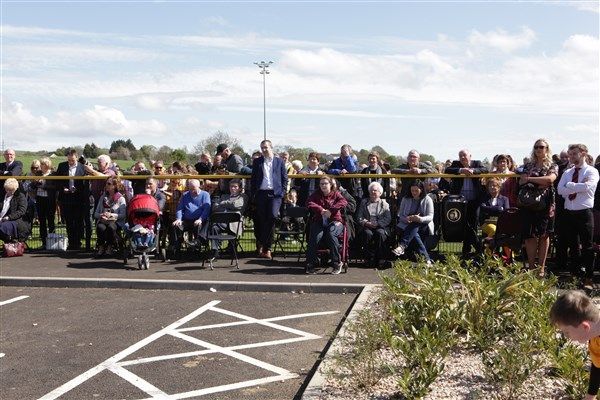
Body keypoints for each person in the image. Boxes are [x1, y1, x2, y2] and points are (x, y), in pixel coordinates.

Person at [556, 144, 599, 288]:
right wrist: (576, 186)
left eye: (574, 154)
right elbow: (560, 190)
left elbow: (587, 187)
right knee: (573, 245)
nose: (571, 157)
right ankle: (575, 274)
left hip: (584, 212)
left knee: (587, 246)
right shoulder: (567, 172)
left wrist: (570, 185)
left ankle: (589, 277)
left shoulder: (591, 171)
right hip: (569, 212)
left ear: (583, 153)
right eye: (570, 154)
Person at [550, 290, 600, 400]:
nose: (566, 337)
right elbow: (597, 365)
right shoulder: (595, 336)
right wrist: (590, 397)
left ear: (585, 326)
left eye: (567, 332)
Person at [518, 139, 557, 276]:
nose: (538, 149)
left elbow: (549, 180)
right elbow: (522, 181)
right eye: (536, 147)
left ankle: (541, 268)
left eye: (541, 147)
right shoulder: (528, 165)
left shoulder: (552, 165)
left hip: (545, 205)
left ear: (547, 149)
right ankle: (531, 267)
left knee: (544, 235)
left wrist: (530, 179)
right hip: (528, 203)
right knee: (530, 236)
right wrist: (539, 181)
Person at [446, 149, 488, 260]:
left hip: (474, 200)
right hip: (460, 202)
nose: (463, 157)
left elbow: (485, 169)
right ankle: (475, 249)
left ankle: (469, 249)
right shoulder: (456, 164)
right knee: (464, 225)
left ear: (470, 156)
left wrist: (473, 171)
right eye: (460, 156)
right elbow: (447, 170)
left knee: (473, 225)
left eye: (464, 155)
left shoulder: (477, 163)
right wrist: (461, 170)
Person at [250, 139, 288, 259]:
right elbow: (253, 179)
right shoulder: (257, 161)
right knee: (262, 220)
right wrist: (253, 194)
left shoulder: (279, 161)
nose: (264, 150)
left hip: (275, 194)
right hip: (261, 194)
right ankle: (266, 248)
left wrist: (282, 192)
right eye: (262, 148)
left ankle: (264, 245)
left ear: (271, 147)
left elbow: (284, 178)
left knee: (272, 217)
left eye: (266, 147)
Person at [306, 176, 348, 274]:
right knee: (315, 236)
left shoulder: (336, 194)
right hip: (320, 221)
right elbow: (309, 202)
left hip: (335, 220)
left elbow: (343, 202)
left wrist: (331, 210)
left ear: (330, 185)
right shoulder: (316, 194)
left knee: (331, 234)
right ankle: (311, 263)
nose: (323, 185)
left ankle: (337, 263)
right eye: (321, 184)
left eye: (325, 183)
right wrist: (320, 210)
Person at [392, 180, 434, 264]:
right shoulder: (405, 199)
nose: (414, 193)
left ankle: (402, 246)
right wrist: (406, 219)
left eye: (416, 190)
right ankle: (427, 259)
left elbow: (430, 217)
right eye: (412, 190)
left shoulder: (427, 199)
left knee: (414, 225)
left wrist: (419, 219)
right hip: (407, 224)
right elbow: (400, 215)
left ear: (421, 190)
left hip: (423, 224)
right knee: (414, 233)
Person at [205, 179, 248, 261]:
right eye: (231, 186)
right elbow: (215, 207)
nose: (233, 188)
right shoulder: (224, 196)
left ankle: (231, 249)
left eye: (235, 187)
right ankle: (215, 251)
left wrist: (223, 204)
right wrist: (228, 208)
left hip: (235, 223)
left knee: (214, 224)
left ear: (239, 188)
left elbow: (237, 205)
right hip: (223, 222)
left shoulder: (243, 197)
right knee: (214, 227)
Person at [355, 181, 392, 267]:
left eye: (375, 190)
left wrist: (378, 224)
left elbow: (388, 218)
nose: (372, 192)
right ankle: (369, 258)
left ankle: (381, 258)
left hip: (380, 226)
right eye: (371, 190)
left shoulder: (384, 204)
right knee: (367, 233)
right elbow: (359, 216)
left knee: (380, 233)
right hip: (367, 226)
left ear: (380, 193)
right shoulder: (364, 202)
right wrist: (366, 223)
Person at [56, 149, 87, 250]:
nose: (70, 162)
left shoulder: (83, 167)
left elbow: (85, 184)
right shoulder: (62, 166)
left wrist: (78, 189)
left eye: (72, 160)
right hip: (66, 197)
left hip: (79, 198)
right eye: (69, 160)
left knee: (78, 221)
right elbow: (57, 181)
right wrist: (63, 188)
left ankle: (78, 243)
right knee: (69, 221)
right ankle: (71, 242)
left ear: (77, 158)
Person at [172, 179, 211, 249]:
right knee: (176, 225)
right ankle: (178, 245)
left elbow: (206, 209)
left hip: (199, 220)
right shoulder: (185, 195)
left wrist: (200, 219)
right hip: (187, 220)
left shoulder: (205, 194)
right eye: (190, 189)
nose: (191, 191)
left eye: (193, 189)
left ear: (199, 186)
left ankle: (197, 245)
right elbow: (180, 208)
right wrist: (179, 219)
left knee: (198, 225)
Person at [93, 177, 126, 257]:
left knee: (111, 227)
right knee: (100, 227)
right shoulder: (103, 198)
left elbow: (123, 215)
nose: (106, 185)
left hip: (115, 221)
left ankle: (110, 247)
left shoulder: (121, 198)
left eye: (109, 184)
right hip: (104, 220)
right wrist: (101, 215)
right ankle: (101, 247)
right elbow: (95, 214)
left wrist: (112, 215)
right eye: (106, 183)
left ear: (115, 186)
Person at [33, 157, 56, 249]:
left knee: (51, 220)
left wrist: (45, 186)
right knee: (42, 221)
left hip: (49, 199)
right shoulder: (38, 173)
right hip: (40, 199)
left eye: (43, 164)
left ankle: (52, 243)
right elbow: (33, 185)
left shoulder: (53, 174)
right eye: (41, 164)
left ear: (48, 165)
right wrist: (36, 183)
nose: (42, 166)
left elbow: (56, 187)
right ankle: (44, 243)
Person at [0, 178, 32, 243]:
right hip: (1, 219)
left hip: (15, 221)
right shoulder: (2, 195)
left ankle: (9, 239)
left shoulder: (20, 196)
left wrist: (8, 217)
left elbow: (21, 211)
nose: (8, 191)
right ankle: (8, 240)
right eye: (7, 189)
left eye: (11, 190)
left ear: (16, 189)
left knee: (3, 227)